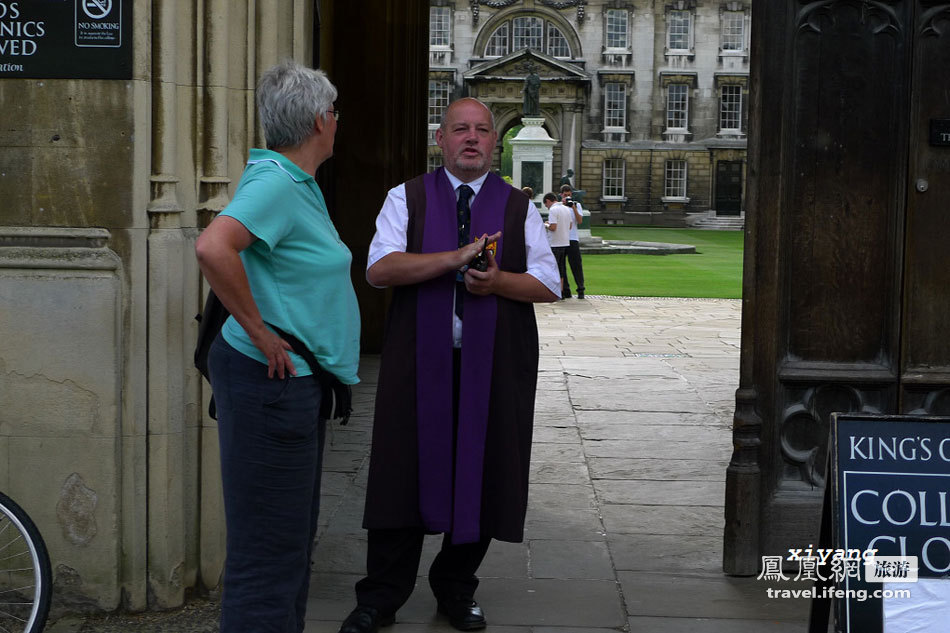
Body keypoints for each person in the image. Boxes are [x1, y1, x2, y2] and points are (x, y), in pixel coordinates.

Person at [338, 98, 559, 633]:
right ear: (440, 138)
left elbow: (549, 282)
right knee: (402, 473)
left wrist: (497, 281)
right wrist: (456, 258)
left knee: (483, 472)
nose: (472, 138)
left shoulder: (516, 206)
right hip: (419, 362)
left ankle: (456, 588)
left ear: (495, 142)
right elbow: (379, 269)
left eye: (482, 130)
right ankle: (381, 597)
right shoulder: (406, 197)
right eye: (461, 129)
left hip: (493, 364)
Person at [194, 60, 360, 633]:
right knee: (268, 558)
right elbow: (215, 247)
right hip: (270, 390)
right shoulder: (275, 184)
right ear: (319, 120)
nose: (337, 121)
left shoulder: (293, 182)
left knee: (287, 550)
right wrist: (261, 331)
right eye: (334, 112)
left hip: (289, 391)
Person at [542, 192, 572, 300]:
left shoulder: (553, 210)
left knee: (553, 268)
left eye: (546, 205)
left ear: (548, 201)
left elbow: (553, 227)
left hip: (555, 242)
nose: (547, 207)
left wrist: (546, 224)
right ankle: (561, 292)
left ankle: (554, 291)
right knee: (561, 268)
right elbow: (570, 226)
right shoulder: (566, 209)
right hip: (564, 242)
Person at [560, 183, 585, 299]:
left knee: (576, 265)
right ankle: (566, 290)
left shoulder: (577, 205)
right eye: (565, 195)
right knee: (561, 267)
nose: (567, 197)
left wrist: (573, 207)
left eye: (569, 195)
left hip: (573, 238)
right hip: (561, 239)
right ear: (561, 195)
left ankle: (581, 289)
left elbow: (579, 221)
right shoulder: (558, 206)